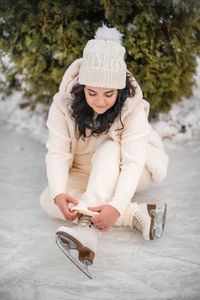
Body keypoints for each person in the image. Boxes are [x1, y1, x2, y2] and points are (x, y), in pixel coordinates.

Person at [40, 24, 169, 278]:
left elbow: (132, 163)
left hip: (133, 167)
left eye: (109, 94)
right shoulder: (62, 105)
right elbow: (57, 153)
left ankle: (87, 229)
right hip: (86, 169)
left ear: (120, 90)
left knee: (109, 148)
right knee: (48, 200)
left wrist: (116, 203)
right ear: (82, 87)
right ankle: (137, 214)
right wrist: (58, 193)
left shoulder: (132, 108)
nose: (100, 101)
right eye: (92, 93)